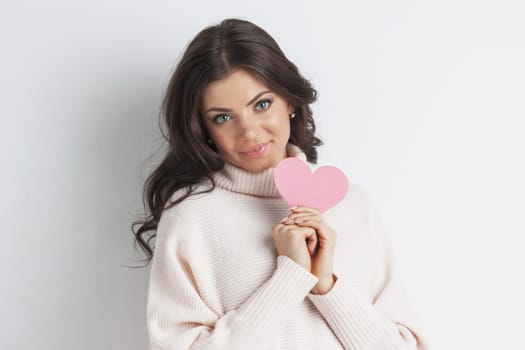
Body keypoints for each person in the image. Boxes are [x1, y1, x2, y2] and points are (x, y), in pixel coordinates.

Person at [132, 18, 429, 350]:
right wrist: (289, 278)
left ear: (289, 101)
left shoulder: (354, 205)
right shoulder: (191, 220)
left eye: (262, 104)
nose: (249, 132)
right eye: (223, 117)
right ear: (203, 129)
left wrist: (327, 286)